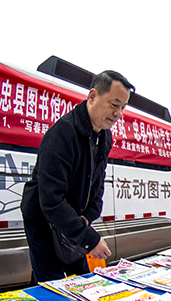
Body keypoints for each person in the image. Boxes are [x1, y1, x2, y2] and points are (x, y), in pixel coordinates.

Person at [21, 70, 134, 283]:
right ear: (92, 97)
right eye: (114, 104)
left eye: (122, 108)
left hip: (71, 218)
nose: (118, 113)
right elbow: (51, 202)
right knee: (52, 282)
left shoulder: (104, 136)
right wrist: (90, 239)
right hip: (42, 220)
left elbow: (97, 186)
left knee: (81, 279)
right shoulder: (62, 134)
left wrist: (87, 217)